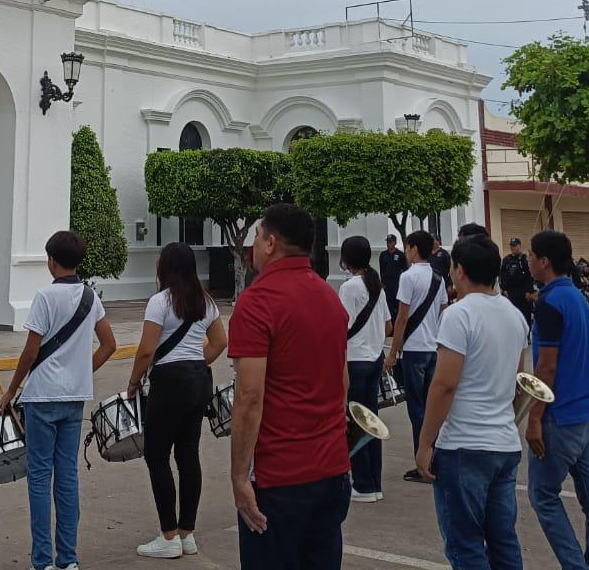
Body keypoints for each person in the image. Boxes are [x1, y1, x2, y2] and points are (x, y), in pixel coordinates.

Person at [227, 203, 350, 570]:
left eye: (257, 236)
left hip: (279, 478)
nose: (254, 245)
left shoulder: (257, 302)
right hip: (331, 471)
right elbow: (342, 382)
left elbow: (249, 398)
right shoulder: (330, 297)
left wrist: (238, 476)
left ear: (271, 243)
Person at [0, 232, 116, 570]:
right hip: (74, 397)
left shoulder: (45, 297)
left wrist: (10, 392)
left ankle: (43, 560)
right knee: (67, 477)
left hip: (42, 396)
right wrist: (82, 370)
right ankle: (69, 559)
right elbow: (109, 345)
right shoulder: (91, 297)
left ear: (51, 260)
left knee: (39, 478)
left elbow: (31, 352)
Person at [415, 235, 529, 570]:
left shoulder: (458, 315)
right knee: (503, 541)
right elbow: (516, 382)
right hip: (504, 444)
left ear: (459, 270)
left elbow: (444, 385)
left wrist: (425, 443)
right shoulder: (514, 315)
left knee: (465, 545)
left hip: (464, 446)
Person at [126, 241, 228, 559]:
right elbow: (220, 341)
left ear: (164, 267)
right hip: (199, 381)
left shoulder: (160, 302)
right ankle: (187, 534)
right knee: (188, 456)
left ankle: (168, 535)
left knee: (157, 456)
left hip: (169, 383)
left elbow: (146, 350)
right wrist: (196, 362)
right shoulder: (205, 301)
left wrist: (133, 382)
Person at [525, 229, 589, 570]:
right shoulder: (576, 297)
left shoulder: (549, 303)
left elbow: (546, 365)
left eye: (532, 255)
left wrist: (534, 418)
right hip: (588, 412)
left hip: (559, 418)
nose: (528, 260)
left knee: (543, 496)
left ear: (544, 262)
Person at [390, 230, 448, 484]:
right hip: (433, 349)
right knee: (432, 406)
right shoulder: (438, 278)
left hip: (414, 350)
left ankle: (421, 461)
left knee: (417, 409)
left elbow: (402, 317)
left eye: (407, 247)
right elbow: (444, 311)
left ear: (414, 249)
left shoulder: (408, 277)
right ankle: (434, 457)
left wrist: (393, 351)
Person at [339, 235, 391, 503]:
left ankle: (363, 483)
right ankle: (374, 482)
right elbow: (388, 326)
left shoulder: (349, 288)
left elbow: (341, 327)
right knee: (371, 421)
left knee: (356, 422)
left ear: (346, 259)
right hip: (374, 358)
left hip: (355, 360)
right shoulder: (376, 285)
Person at [500, 237, 536, 324]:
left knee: (525, 318)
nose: (513, 248)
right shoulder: (506, 260)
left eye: (515, 245)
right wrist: (503, 289)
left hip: (523, 294)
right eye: (511, 246)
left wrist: (528, 291)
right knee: (511, 319)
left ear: (519, 246)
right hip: (510, 294)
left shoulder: (525, 259)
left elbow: (530, 276)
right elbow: (502, 275)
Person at [380, 235, 408, 317]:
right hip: (386, 284)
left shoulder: (400, 255)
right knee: (387, 305)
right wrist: (382, 282)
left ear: (395, 243)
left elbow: (405, 269)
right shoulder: (383, 255)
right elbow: (382, 269)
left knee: (397, 305)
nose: (389, 244)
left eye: (391, 242)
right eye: (388, 242)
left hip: (396, 283)